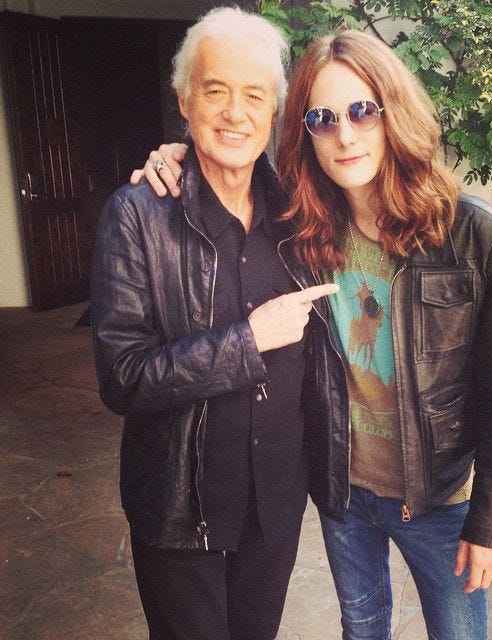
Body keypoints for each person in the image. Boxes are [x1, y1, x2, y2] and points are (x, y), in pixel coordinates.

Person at [135, 28, 492, 640]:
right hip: (346, 497)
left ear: (392, 111)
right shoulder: (303, 228)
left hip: (441, 499)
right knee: (362, 631)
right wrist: (178, 156)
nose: (344, 134)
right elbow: (228, 161)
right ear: (306, 134)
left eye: (362, 111)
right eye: (322, 118)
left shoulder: (475, 237)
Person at [91, 8, 338, 640]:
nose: (235, 113)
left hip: (276, 504)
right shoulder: (138, 215)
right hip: (180, 514)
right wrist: (248, 340)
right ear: (185, 101)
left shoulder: (300, 212)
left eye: (254, 95)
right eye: (215, 91)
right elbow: (123, 377)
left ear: (275, 108)